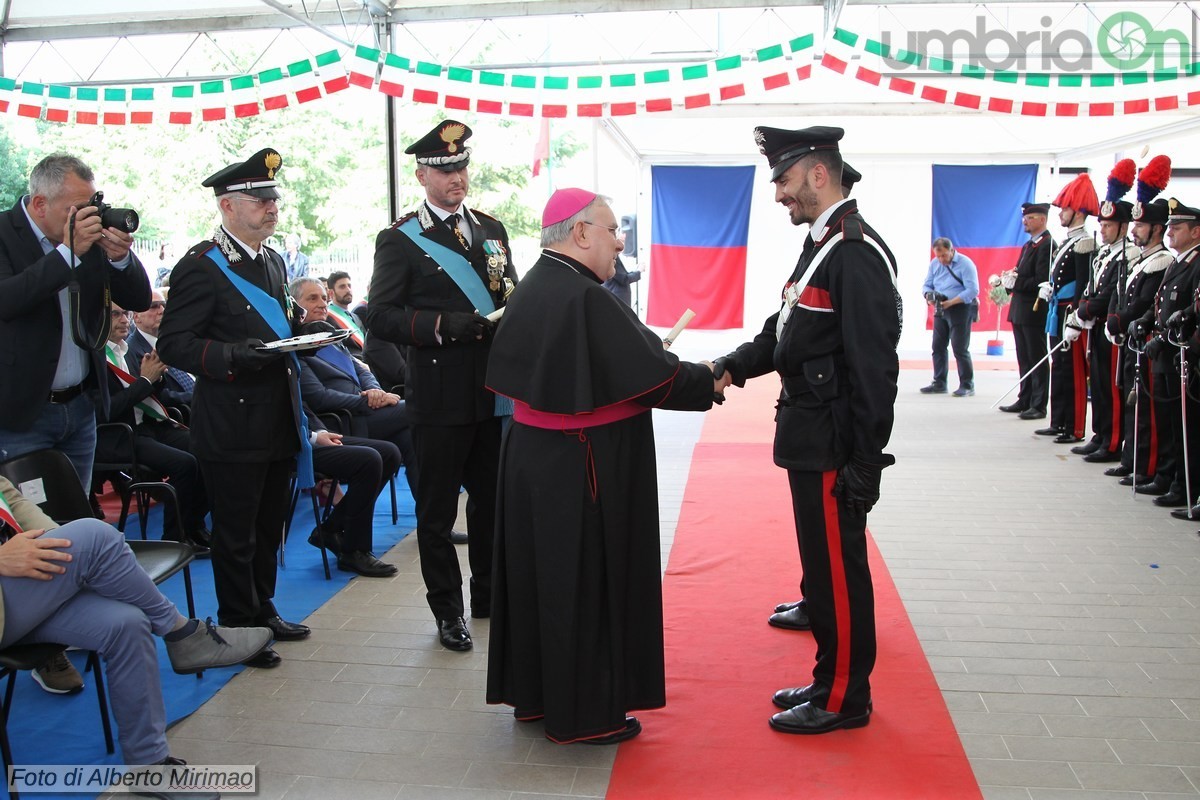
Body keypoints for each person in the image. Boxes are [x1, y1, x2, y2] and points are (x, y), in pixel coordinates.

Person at [485, 188, 722, 745]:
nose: (620, 241)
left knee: (538, 577)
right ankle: (586, 714)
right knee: (583, 580)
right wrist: (708, 377)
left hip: (531, 458)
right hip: (582, 463)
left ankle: (538, 698)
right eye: (612, 229)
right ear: (581, 232)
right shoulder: (585, 295)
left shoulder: (538, 284)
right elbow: (656, 378)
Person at [713, 125, 900, 735]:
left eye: (785, 181)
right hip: (809, 435)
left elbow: (875, 368)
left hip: (834, 442)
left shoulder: (854, 251)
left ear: (819, 174)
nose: (779, 196)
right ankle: (828, 677)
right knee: (821, 570)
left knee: (839, 574)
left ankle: (845, 696)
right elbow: (787, 327)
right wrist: (732, 366)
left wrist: (867, 460)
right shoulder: (824, 244)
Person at [0, 474, 270, 794]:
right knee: (95, 534)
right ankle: (182, 633)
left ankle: (148, 764)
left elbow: (11, 500)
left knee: (127, 623)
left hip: (22, 586)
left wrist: (52, 547)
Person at [157, 147, 312, 669]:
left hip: (276, 415)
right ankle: (239, 624)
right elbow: (175, 344)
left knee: (270, 526)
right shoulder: (202, 265)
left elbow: (277, 327)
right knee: (236, 532)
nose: (272, 207)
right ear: (226, 206)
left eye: (273, 198)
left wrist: (308, 335)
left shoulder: (271, 259)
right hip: (232, 419)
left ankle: (263, 609)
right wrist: (231, 357)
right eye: (259, 199)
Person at [366, 120, 516, 652]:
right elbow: (378, 318)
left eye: (462, 166)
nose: (458, 177)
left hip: (494, 394)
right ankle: (447, 611)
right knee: (435, 515)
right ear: (421, 173)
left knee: (492, 505)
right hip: (438, 395)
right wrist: (440, 326)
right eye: (446, 169)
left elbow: (509, 293)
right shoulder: (401, 239)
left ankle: (491, 598)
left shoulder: (492, 229)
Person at [0, 153, 151, 492]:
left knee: (77, 518)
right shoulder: (5, 233)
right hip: (23, 415)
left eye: (92, 206)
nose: (88, 217)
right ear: (40, 204)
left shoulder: (87, 239)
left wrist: (121, 257)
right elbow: (8, 300)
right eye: (77, 208)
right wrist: (67, 253)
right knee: (35, 527)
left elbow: (140, 300)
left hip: (81, 409)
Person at [92, 303, 211, 554]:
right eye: (115, 314)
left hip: (147, 426)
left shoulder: (125, 351)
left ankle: (193, 526)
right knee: (185, 463)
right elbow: (105, 411)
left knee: (209, 449)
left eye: (125, 314)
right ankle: (174, 538)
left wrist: (155, 377)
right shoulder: (94, 359)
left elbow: (151, 397)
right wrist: (146, 380)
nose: (124, 320)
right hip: (117, 435)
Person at [1132, 198, 1200, 510]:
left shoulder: (1196, 263)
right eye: (1169, 225)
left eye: (1177, 226)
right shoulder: (1177, 261)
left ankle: (1184, 484)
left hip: (1184, 357)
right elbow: (1162, 303)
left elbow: (1190, 311)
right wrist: (1146, 321)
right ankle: (1168, 475)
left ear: (1196, 232)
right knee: (1167, 421)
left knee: (1185, 425)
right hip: (1164, 353)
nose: (1169, 231)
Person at [1070, 162, 1139, 463]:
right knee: (1096, 384)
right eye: (1102, 224)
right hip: (1095, 325)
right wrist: (1082, 309)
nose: (1103, 229)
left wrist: (1086, 308)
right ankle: (1099, 434)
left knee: (1111, 388)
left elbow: (1110, 293)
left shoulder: (1129, 254)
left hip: (1110, 327)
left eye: (1109, 225)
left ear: (1123, 227)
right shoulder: (1105, 253)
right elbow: (1092, 287)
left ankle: (1112, 442)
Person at [1106, 189, 1173, 488]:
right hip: (1130, 339)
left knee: (1145, 407)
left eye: (1140, 226)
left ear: (1156, 229)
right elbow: (1121, 296)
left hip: (1146, 341)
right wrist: (1114, 320)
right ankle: (1132, 459)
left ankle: (1146, 465)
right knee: (1132, 402)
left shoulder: (1161, 261)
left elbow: (1144, 304)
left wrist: (1121, 320)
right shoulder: (1141, 260)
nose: (1133, 230)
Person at [1036, 174, 1098, 444]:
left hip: (1069, 312)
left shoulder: (1084, 242)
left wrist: (1075, 315)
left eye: (1065, 209)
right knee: (1058, 366)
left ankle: (1073, 427)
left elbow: (1085, 284)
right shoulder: (1068, 241)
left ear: (1078, 211)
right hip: (1056, 310)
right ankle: (1058, 420)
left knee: (1071, 370)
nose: (1061, 213)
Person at [303, 408, 399, 577]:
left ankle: (331, 529)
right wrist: (315, 436)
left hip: (315, 434)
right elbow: (316, 396)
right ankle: (354, 551)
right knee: (369, 460)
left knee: (390, 453)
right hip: (296, 445)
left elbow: (302, 406)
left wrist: (321, 432)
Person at [998, 203, 1054, 420]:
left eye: (1030, 218)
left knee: (1036, 357)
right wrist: (1010, 280)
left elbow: (1041, 280)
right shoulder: (1030, 245)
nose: (1025, 221)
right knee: (1024, 357)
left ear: (1042, 219)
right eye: (1025, 218)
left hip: (1034, 310)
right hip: (1021, 309)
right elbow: (1022, 274)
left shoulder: (1046, 244)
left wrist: (1017, 281)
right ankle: (1026, 398)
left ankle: (1038, 404)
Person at [919, 237, 978, 397]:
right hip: (940, 307)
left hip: (959, 307)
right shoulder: (934, 264)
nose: (941, 259)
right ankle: (939, 382)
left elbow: (973, 290)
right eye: (938, 256)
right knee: (937, 346)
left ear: (952, 251)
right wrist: (927, 296)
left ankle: (967, 384)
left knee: (959, 348)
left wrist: (951, 302)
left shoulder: (965, 264)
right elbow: (927, 284)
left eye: (944, 255)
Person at [128, 288, 195, 408]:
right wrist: (197, 397)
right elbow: (156, 396)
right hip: (182, 414)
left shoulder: (176, 339)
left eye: (164, 305)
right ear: (136, 317)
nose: (162, 311)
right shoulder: (131, 350)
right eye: (154, 306)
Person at [325, 270, 366, 355]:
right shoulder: (328, 318)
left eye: (349, 286)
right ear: (331, 292)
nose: (348, 290)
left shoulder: (355, 317)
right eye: (342, 287)